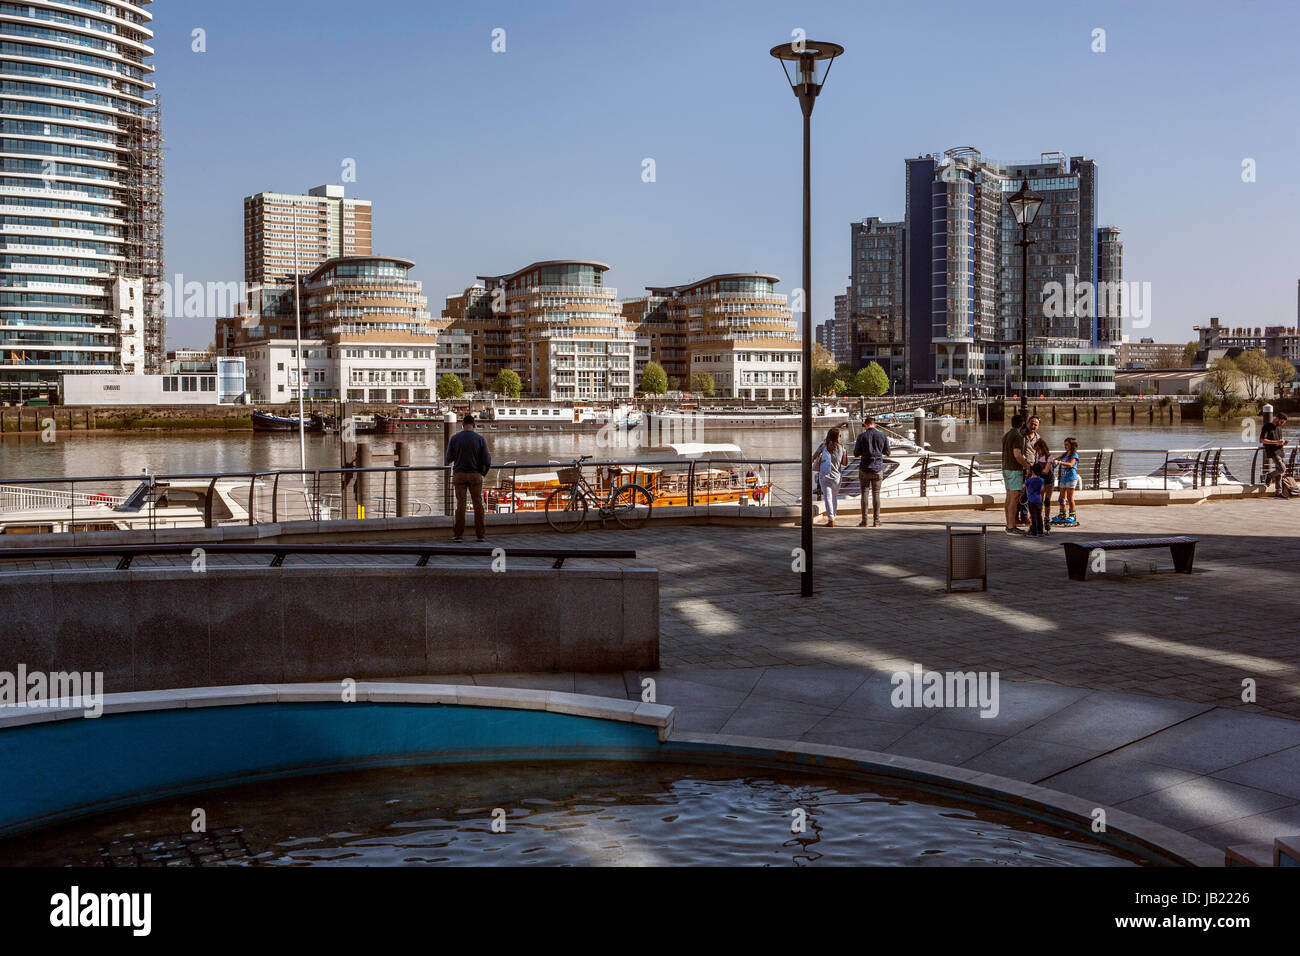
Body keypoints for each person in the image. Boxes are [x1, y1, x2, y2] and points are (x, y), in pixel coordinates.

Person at [444, 412, 492, 542]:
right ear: (474, 425)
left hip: (459, 475)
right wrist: (483, 472)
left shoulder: (454, 438)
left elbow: (448, 458)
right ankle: (480, 534)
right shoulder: (480, 439)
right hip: (475, 475)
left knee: (461, 505)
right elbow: (487, 460)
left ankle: (458, 534)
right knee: (478, 505)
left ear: (462, 425)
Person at [853, 416, 891, 527]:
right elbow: (888, 452)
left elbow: (856, 453)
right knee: (876, 494)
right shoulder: (882, 435)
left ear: (865, 425)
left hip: (864, 468)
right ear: (874, 425)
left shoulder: (861, 436)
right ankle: (876, 521)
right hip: (878, 469)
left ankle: (864, 521)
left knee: (864, 493)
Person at [814, 426, 849, 527]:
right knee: (834, 497)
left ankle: (831, 520)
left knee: (827, 497)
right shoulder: (841, 447)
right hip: (836, 477)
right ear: (837, 437)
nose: (840, 437)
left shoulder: (823, 446)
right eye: (840, 435)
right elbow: (845, 463)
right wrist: (844, 452)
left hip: (824, 475)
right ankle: (833, 517)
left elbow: (813, 457)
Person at [1001, 413, 1029, 535]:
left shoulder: (1006, 435)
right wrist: (1027, 466)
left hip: (1006, 468)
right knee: (1014, 497)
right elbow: (1017, 454)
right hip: (1014, 469)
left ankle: (1009, 525)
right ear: (1022, 424)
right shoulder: (1018, 436)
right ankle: (1012, 527)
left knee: (1008, 497)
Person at [1053, 437, 1081, 525]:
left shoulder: (1074, 455)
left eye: (1067, 445)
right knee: (1061, 498)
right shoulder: (1064, 454)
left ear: (1072, 445)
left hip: (1071, 478)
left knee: (1069, 498)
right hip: (1063, 478)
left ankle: (1072, 515)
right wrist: (1052, 460)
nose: (1065, 446)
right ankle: (1062, 514)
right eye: (1064, 445)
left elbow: (1070, 464)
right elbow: (1056, 459)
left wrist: (1059, 463)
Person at [1261, 412, 1290, 498]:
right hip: (1273, 452)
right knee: (1282, 469)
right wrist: (1277, 442)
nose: (1282, 424)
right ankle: (1269, 475)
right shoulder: (1267, 426)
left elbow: (1278, 441)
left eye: (1283, 423)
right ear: (1277, 419)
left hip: (1280, 451)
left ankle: (1278, 491)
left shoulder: (1279, 429)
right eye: (1281, 422)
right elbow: (1262, 440)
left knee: (1279, 473)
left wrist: (1283, 443)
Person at [1024, 462, 1047, 536]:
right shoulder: (1041, 480)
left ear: (1032, 471)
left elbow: (1023, 486)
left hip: (1031, 500)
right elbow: (1043, 489)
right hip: (1039, 500)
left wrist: (1028, 476)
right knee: (1039, 515)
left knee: (1033, 516)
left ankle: (1034, 532)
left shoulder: (1029, 480)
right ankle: (1040, 531)